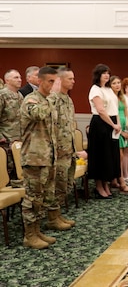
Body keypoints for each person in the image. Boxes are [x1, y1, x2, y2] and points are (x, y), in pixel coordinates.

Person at [20, 66, 65, 249]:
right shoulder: (31, 99)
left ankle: (37, 230)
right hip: (34, 157)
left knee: (43, 196)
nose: (53, 85)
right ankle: (29, 236)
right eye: (50, 81)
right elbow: (38, 114)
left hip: (47, 157)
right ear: (40, 81)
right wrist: (54, 96)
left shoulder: (47, 100)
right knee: (32, 198)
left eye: (56, 81)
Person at [48, 67, 77, 228]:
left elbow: (70, 125)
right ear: (60, 80)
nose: (73, 81)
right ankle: (52, 218)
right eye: (70, 79)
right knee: (56, 184)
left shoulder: (68, 99)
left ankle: (57, 214)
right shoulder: (54, 99)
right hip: (58, 151)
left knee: (66, 184)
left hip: (68, 150)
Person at [87, 64, 121, 199]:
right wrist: (113, 124)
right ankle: (99, 186)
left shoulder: (108, 89)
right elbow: (101, 110)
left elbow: (115, 107)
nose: (106, 75)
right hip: (101, 124)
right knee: (101, 156)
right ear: (98, 75)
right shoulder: (95, 90)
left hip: (112, 123)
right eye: (104, 73)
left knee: (110, 156)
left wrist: (117, 123)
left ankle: (107, 183)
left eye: (108, 73)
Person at [110, 75, 128, 194]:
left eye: (118, 83)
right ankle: (120, 181)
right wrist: (122, 131)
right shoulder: (110, 98)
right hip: (116, 129)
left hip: (124, 127)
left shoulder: (121, 98)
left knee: (122, 155)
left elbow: (125, 114)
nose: (117, 85)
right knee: (119, 157)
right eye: (114, 83)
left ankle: (117, 180)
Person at [0, 69, 23, 180]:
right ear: (7, 80)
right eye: (16, 77)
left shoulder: (20, 96)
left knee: (19, 172)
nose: (20, 80)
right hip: (6, 140)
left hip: (19, 140)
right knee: (8, 174)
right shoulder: (2, 95)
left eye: (20, 77)